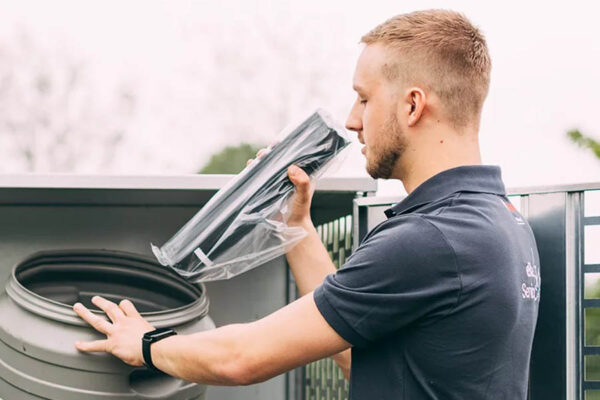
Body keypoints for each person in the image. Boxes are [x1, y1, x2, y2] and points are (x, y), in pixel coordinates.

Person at [73, 9, 540, 399]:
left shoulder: (432, 241)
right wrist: (292, 224)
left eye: (363, 98)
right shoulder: (501, 223)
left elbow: (243, 358)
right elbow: (357, 353)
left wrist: (148, 344)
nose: (353, 121)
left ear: (413, 105)